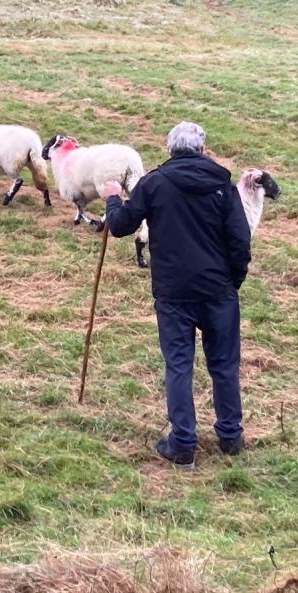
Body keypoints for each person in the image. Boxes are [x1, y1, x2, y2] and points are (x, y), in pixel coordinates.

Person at [102, 121, 251, 466]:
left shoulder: (154, 183)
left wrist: (112, 197)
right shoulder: (223, 186)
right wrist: (233, 281)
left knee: (179, 365)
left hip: (174, 292)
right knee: (225, 365)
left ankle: (183, 443)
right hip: (218, 291)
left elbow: (121, 225)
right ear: (202, 150)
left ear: (169, 149)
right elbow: (240, 241)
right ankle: (230, 435)